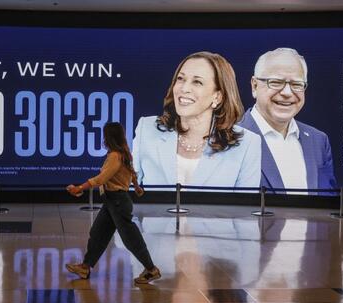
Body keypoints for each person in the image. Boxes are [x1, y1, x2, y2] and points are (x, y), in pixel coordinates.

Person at [132, 51, 261, 189]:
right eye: (180, 79)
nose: (184, 88)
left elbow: (246, 208)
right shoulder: (146, 129)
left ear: (217, 97)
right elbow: (125, 190)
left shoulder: (247, 144)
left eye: (197, 82)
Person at [65, 122, 162, 285]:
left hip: (117, 201)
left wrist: (79, 188)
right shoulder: (123, 154)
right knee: (97, 233)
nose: (103, 138)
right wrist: (136, 187)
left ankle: (151, 269)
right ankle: (85, 267)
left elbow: (101, 178)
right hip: (112, 201)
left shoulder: (115, 156)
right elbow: (131, 173)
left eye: (105, 135)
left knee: (130, 238)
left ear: (110, 137)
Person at [240, 47, 337, 194]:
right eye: (276, 82)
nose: (287, 93)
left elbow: (329, 202)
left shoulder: (318, 141)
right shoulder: (229, 139)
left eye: (296, 84)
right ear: (254, 86)